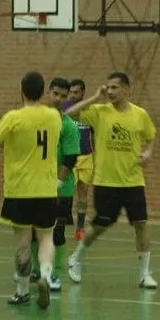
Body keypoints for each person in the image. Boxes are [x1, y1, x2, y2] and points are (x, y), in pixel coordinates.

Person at [64, 71, 158, 289]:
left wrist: (148, 152)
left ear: (126, 89)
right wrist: (95, 97)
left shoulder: (140, 114)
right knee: (100, 225)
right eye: (108, 87)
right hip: (106, 182)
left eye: (114, 87)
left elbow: (151, 136)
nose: (110, 91)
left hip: (133, 181)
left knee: (141, 224)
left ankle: (144, 274)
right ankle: (76, 258)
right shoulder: (99, 111)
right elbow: (69, 113)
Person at [0, 71, 62, 310]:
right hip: (46, 189)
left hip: (19, 190)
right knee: (46, 238)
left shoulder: (14, 118)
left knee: (24, 242)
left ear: (21, 91)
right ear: (44, 92)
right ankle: (45, 275)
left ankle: (23, 291)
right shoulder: (54, 116)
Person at [29, 77, 80, 292]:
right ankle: (36, 269)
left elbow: (70, 159)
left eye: (63, 96)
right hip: (35, 186)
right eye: (55, 94)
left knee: (56, 232)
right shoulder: (35, 119)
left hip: (61, 188)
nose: (58, 99)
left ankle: (55, 273)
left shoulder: (68, 125)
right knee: (34, 230)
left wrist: (57, 184)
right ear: (47, 93)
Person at [66, 79, 94, 241]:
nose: (73, 95)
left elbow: (95, 134)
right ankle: (61, 221)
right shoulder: (65, 108)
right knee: (66, 190)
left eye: (76, 92)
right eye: (71, 92)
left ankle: (80, 227)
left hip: (87, 156)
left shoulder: (91, 110)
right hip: (71, 156)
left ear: (83, 92)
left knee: (83, 191)